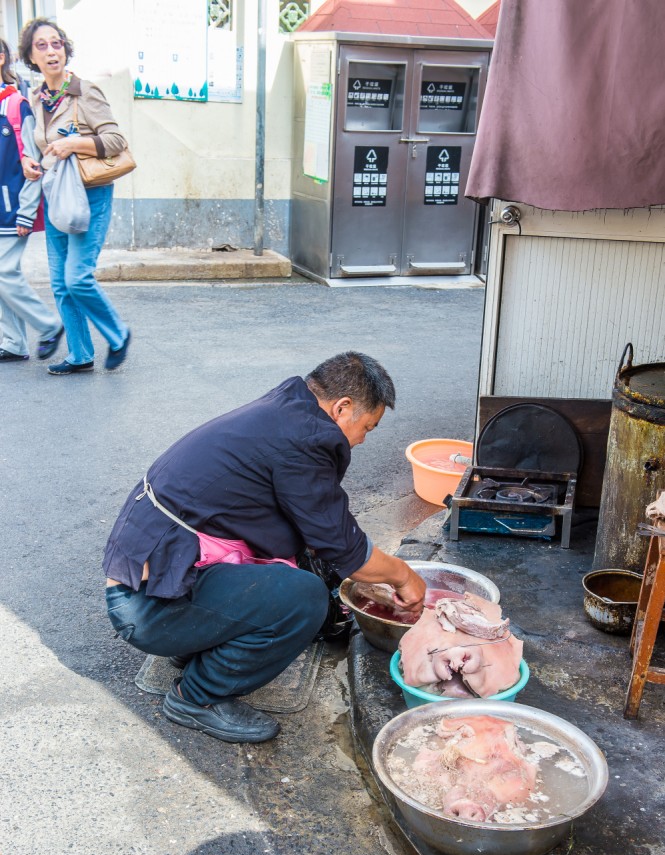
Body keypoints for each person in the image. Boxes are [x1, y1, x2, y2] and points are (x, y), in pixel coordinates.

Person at [103, 352, 426, 745]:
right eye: (367, 427)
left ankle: (194, 647)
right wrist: (404, 576)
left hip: (152, 577)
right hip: (144, 606)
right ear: (342, 408)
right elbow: (343, 545)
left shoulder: (287, 411)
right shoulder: (304, 439)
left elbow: (320, 526)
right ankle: (198, 698)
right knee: (304, 597)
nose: (360, 440)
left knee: (302, 573)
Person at [18, 18, 131, 375]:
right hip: (56, 195)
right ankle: (81, 354)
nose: (51, 51)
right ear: (31, 57)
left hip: (90, 196)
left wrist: (73, 143)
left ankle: (118, 334)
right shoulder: (37, 98)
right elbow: (39, 144)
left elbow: (115, 141)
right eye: (42, 46)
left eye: (56, 44)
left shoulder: (85, 91)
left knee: (77, 278)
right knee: (60, 284)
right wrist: (30, 163)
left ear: (65, 50)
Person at [0, 36, 63, 363]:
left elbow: (32, 161)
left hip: (11, 207)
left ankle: (48, 324)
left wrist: (26, 212)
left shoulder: (16, 105)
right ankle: (12, 341)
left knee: (3, 273)